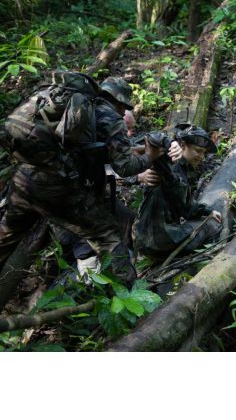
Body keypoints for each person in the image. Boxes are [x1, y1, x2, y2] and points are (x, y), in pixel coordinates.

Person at [0, 75, 164, 286]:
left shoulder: (81, 109)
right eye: (124, 107)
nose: (124, 112)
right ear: (118, 101)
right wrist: (150, 155)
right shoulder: (111, 118)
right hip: (55, 186)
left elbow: (91, 151)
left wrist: (136, 151)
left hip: (25, 177)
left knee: (6, 235)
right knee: (107, 236)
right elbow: (125, 167)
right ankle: (132, 296)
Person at [132, 124, 222, 260]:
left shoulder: (186, 170)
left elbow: (185, 208)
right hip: (157, 239)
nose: (201, 156)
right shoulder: (168, 161)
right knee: (214, 226)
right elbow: (151, 138)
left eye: (204, 152)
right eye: (198, 151)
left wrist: (207, 211)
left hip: (151, 239)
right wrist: (171, 143)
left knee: (206, 221)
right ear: (183, 145)